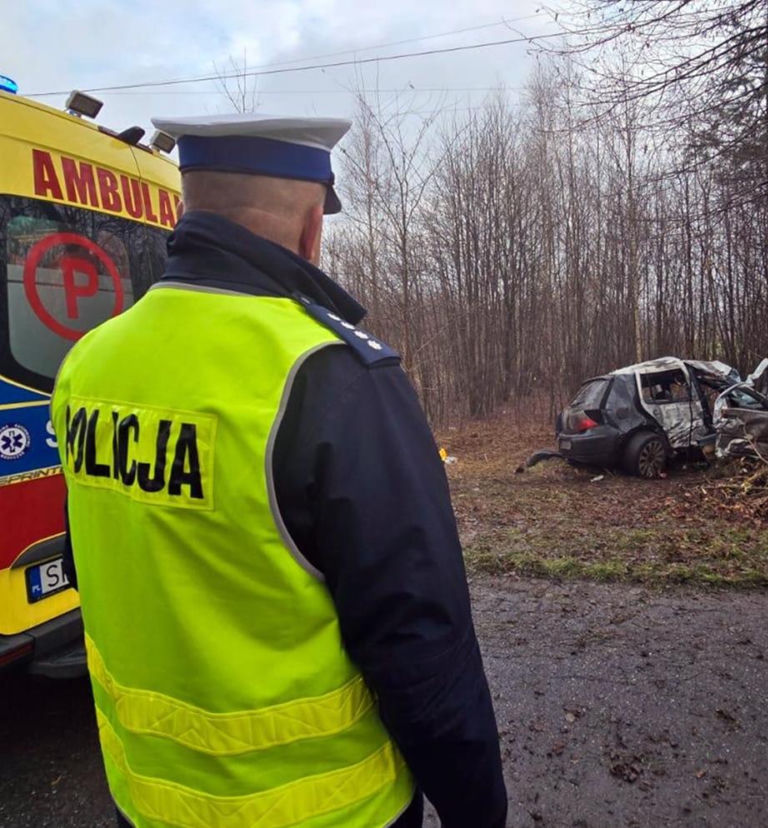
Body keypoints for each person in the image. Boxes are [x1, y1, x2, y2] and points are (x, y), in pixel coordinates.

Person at [52, 114, 507, 828]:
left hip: (145, 802)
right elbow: (420, 645)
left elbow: (91, 563)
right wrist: (477, 807)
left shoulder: (90, 361)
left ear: (184, 207)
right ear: (310, 228)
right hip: (327, 810)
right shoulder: (333, 377)